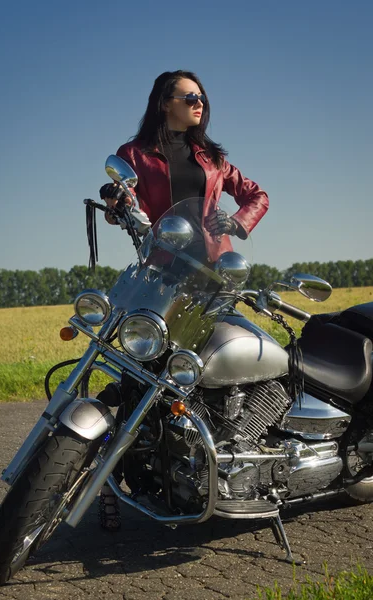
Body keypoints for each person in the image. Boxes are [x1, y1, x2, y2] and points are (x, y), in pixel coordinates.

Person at [98, 69, 269, 531]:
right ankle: (108, 480)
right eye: (189, 96)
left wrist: (238, 222)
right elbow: (123, 200)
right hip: (161, 275)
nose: (199, 104)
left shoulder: (212, 157)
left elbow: (257, 194)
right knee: (140, 371)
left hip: (215, 276)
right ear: (163, 103)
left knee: (206, 371)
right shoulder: (134, 154)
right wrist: (116, 202)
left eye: (202, 97)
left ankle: (207, 465)